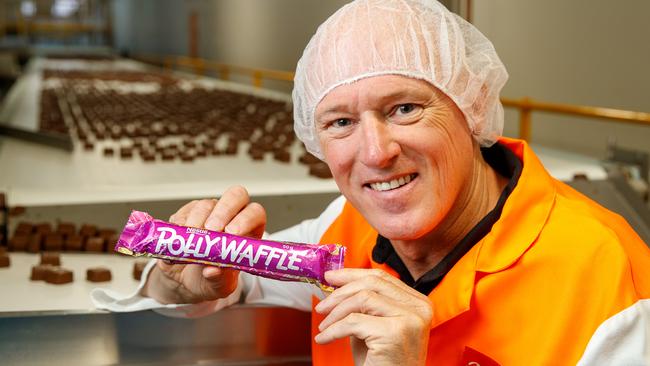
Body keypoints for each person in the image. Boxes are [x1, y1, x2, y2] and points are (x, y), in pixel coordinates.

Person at [93, 0, 650, 364]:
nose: (377, 153)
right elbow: (224, 288)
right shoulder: (343, 233)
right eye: (340, 122)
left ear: (473, 106)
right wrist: (179, 282)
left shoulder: (606, 280)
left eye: (405, 108)